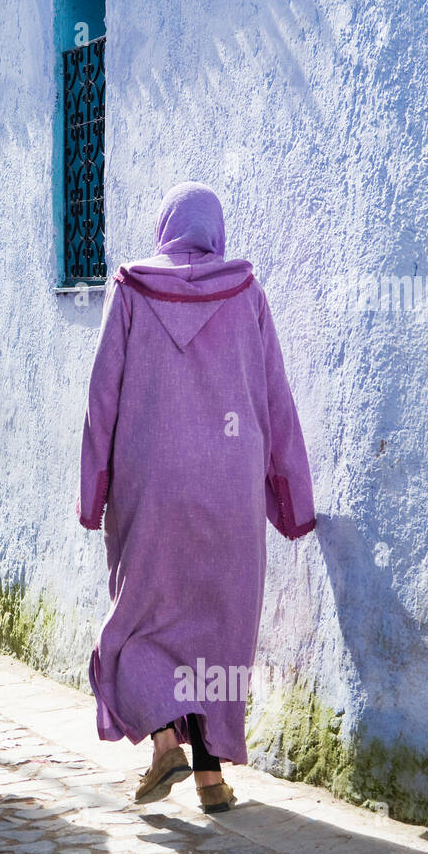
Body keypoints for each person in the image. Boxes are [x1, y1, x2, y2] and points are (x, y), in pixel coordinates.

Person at [79, 182, 316, 813]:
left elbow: (104, 396)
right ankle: (211, 778)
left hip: (149, 488)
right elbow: (276, 401)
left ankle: (165, 746)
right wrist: (292, 501)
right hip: (231, 493)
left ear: (165, 229)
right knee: (217, 632)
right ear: (214, 231)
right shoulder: (248, 293)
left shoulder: (131, 289)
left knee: (138, 623)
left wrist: (91, 492)